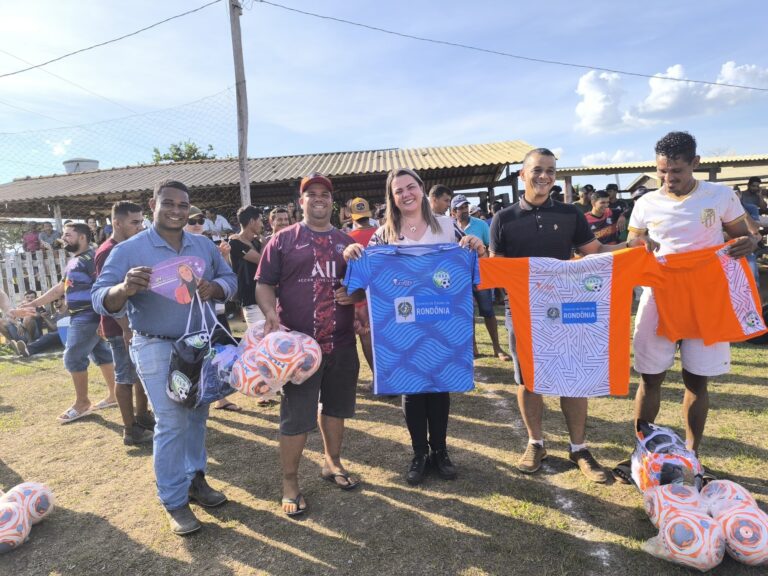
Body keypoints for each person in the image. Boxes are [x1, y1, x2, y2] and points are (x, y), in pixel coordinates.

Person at [490, 148, 654, 483]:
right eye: (537, 170)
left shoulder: (569, 214)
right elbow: (497, 268)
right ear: (522, 175)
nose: (545, 176)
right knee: (527, 381)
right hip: (522, 312)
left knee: (573, 375)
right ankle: (536, 443)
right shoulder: (503, 219)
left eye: (551, 170)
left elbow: (594, 254)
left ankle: (579, 448)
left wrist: (629, 248)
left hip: (567, 309)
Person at [92, 179, 237, 535]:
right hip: (154, 343)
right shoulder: (129, 250)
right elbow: (99, 298)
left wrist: (216, 287)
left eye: (183, 205)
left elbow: (230, 278)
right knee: (172, 420)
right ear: (152, 204)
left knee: (198, 413)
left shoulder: (202, 245)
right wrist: (123, 289)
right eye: (168, 203)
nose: (176, 210)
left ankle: (194, 478)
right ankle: (173, 500)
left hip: (199, 344)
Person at [344, 168, 486, 486]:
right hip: (402, 326)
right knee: (412, 388)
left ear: (421, 189)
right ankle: (419, 453)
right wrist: (351, 253)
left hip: (441, 321)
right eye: (398, 190)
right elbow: (366, 272)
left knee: (439, 387)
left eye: (411, 187)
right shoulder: (383, 234)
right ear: (392, 197)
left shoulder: (449, 227)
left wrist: (477, 246)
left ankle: (440, 451)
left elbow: (475, 266)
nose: (406, 193)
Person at [627, 132, 759, 458]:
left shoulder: (720, 195)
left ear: (695, 164)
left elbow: (745, 234)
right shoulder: (645, 203)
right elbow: (633, 242)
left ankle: (691, 453)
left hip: (707, 295)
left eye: (677, 171)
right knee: (651, 378)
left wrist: (753, 242)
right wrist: (642, 246)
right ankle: (644, 451)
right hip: (659, 292)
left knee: (696, 380)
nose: (668, 178)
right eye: (662, 171)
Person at [256, 172, 361, 517]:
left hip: (342, 344)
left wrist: (354, 294)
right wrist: (270, 312)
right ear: (300, 202)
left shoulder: (346, 242)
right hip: (298, 349)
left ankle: (332, 462)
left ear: (333, 202)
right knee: (296, 417)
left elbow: (361, 286)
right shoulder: (283, 240)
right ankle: (290, 482)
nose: (318, 199)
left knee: (335, 409)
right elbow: (264, 283)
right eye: (310, 194)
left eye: (324, 194)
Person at [20, 222, 117, 423]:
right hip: (81, 316)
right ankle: (114, 395)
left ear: (82, 237)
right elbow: (60, 289)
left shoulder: (91, 259)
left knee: (73, 358)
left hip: (87, 317)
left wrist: (102, 317)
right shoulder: (75, 261)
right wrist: (34, 304)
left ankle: (82, 403)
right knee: (101, 353)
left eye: (68, 235)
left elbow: (104, 288)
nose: (63, 238)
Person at [94, 201, 154, 446]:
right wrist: (125, 327)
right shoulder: (109, 251)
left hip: (135, 324)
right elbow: (106, 292)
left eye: (142, 221)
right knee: (125, 375)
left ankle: (143, 416)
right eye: (135, 222)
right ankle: (130, 429)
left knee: (140, 374)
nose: (140, 227)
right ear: (116, 223)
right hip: (120, 327)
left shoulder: (131, 246)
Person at [183, 206, 241, 412]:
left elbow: (226, 278)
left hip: (214, 312)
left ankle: (219, 397)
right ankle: (195, 398)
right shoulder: (180, 249)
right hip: (189, 318)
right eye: (192, 221)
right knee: (193, 360)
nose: (198, 224)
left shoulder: (208, 245)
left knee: (218, 354)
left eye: (200, 220)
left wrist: (224, 257)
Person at [451, 194, 511, 362]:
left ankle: (497, 347)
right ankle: (473, 347)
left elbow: (490, 249)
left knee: (488, 311)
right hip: (460, 278)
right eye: (460, 208)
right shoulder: (450, 227)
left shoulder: (481, 225)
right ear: (453, 211)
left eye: (465, 207)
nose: (464, 211)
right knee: (467, 313)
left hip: (482, 275)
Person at [346, 198, 377, 372]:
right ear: (369, 214)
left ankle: (377, 378)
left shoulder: (347, 238)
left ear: (351, 216)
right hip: (382, 295)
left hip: (360, 297)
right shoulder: (382, 233)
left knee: (366, 338)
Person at [228, 206, 265, 327]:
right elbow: (262, 261)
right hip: (251, 300)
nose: (262, 224)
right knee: (258, 340)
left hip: (266, 297)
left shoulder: (256, 242)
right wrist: (265, 244)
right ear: (251, 222)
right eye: (260, 220)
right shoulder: (235, 243)